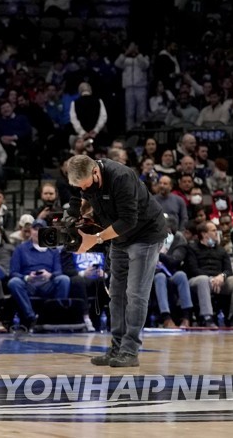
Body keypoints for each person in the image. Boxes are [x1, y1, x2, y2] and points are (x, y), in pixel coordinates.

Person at [70, 154, 167, 368]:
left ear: (95, 172)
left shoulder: (121, 177)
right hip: (119, 237)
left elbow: (128, 220)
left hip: (146, 234)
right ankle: (116, 348)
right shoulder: (88, 180)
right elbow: (87, 200)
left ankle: (130, 351)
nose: (85, 190)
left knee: (135, 294)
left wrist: (95, 239)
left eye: (87, 185)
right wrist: (81, 214)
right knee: (116, 294)